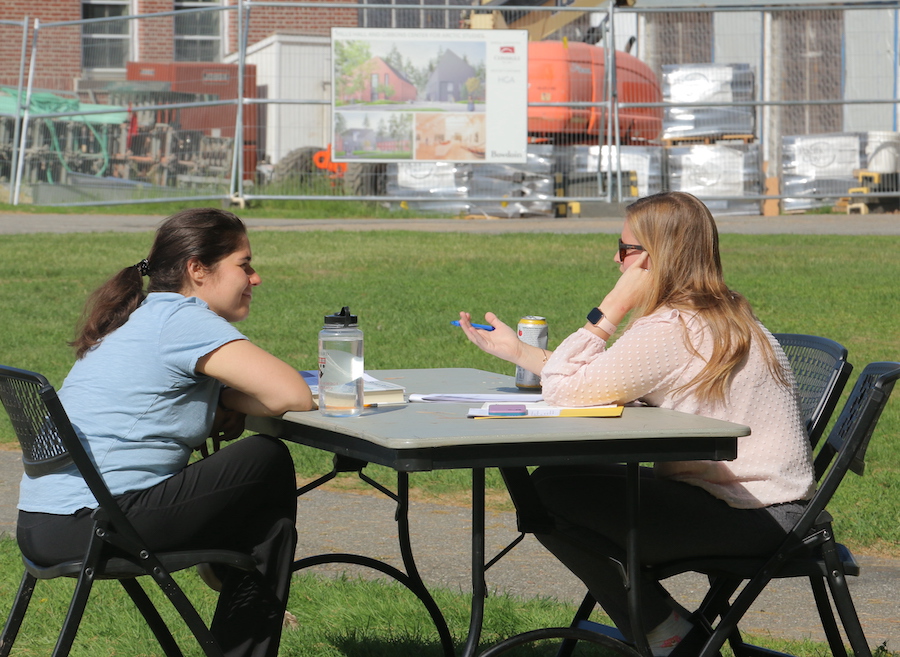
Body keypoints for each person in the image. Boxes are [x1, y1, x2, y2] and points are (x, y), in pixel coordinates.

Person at [457, 191, 815, 656]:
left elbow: (567, 391)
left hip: (755, 518)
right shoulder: (716, 314)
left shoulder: (672, 328)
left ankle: (667, 635)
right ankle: (665, 631)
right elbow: (599, 382)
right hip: (770, 507)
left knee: (547, 493)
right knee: (557, 483)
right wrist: (522, 354)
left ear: (656, 258)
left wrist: (610, 308)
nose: (616, 258)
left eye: (626, 249)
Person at [16, 208, 314, 657]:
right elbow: (292, 394)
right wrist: (228, 401)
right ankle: (231, 575)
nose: (255, 279)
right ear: (197, 269)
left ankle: (229, 564)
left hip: (43, 526)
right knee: (266, 459)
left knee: (259, 490)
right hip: (94, 525)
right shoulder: (182, 319)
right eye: (244, 264)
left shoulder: (137, 319)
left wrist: (220, 401)